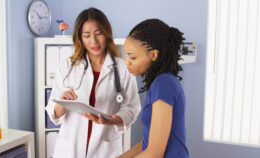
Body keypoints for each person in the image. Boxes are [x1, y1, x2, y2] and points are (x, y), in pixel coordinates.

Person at [45, 7, 141, 158]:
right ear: (80, 38)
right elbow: (54, 112)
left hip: (105, 150)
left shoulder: (123, 68)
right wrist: (61, 103)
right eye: (87, 35)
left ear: (106, 34)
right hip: (70, 150)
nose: (94, 41)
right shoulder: (67, 66)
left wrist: (116, 120)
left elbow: (132, 108)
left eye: (99, 33)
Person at [118, 19, 189, 158]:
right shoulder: (160, 83)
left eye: (132, 57)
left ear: (154, 55)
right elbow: (148, 142)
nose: (127, 62)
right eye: (126, 55)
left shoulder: (163, 84)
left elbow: (154, 153)